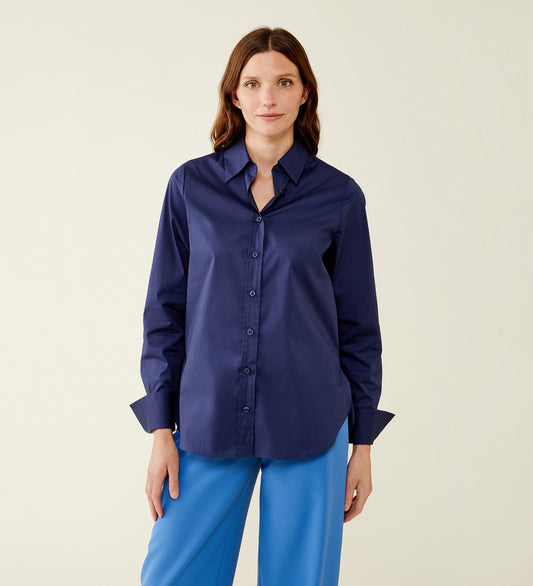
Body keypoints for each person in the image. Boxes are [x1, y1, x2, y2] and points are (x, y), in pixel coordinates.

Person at [129, 26, 395, 586]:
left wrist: (363, 445)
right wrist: (160, 430)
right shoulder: (190, 187)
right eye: (252, 83)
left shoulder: (339, 197)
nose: (267, 97)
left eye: (283, 82)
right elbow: (164, 313)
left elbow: (358, 327)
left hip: (311, 422)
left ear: (305, 92)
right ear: (234, 94)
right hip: (206, 421)